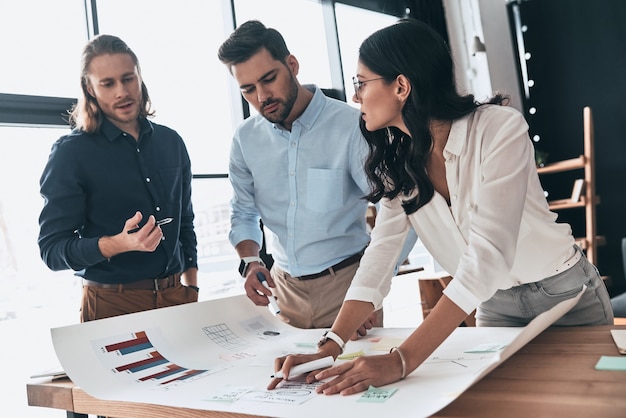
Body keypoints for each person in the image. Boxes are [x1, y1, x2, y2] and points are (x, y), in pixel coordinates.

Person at [269, 18, 614, 394]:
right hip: (496, 306)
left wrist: (403, 360)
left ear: (400, 86)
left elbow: (489, 254)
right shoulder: (397, 161)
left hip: (565, 297)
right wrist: (331, 346)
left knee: (595, 402)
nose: (355, 96)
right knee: (508, 404)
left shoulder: (499, 129)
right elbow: (381, 254)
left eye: (361, 82)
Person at [218, 20, 414, 330]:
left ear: (292, 65)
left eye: (269, 79)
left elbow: (400, 212)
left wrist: (371, 292)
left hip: (347, 287)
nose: (261, 96)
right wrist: (250, 260)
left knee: (356, 377)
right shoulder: (245, 139)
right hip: (282, 293)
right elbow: (243, 211)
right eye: (248, 89)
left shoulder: (354, 127)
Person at [38, 34, 199, 322]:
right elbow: (52, 250)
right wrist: (119, 244)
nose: (121, 92)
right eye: (108, 84)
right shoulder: (71, 153)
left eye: (128, 79)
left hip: (178, 297)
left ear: (140, 77)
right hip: (112, 305)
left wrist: (192, 284)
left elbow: (185, 223)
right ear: (90, 88)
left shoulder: (171, 142)